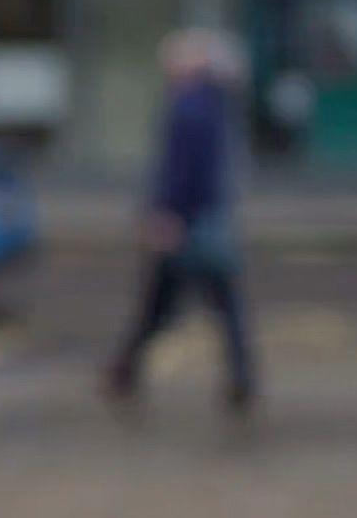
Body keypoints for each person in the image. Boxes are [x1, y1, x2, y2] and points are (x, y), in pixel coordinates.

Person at [106, 28, 257, 414]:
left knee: (163, 305)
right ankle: (239, 378)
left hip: (188, 223)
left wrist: (168, 213)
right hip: (207, 219)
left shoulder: (190, 107)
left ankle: (125, 371)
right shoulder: (217, 105)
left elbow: (182, 171)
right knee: (220, 305)